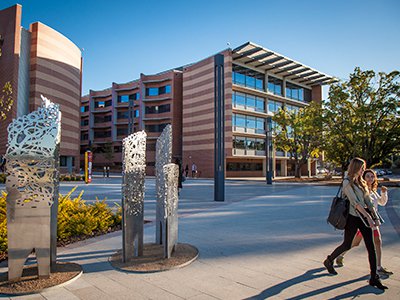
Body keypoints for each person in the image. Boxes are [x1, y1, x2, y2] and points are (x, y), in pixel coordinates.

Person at [323, 157, 387, 290]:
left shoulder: (361, 182)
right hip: (352, 218)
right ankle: (329, 260)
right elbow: (355, 203)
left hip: (364, 217)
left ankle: (374, 277)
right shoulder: (347, 182)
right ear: (356, 167)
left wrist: (374, 216)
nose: (363, 170)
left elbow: (368, 200)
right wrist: (367, 217)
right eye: (362, 167)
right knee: (347, 244)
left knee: (371, 247)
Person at [336, 169, 393, 276]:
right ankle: (340, 255)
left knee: (374, 241)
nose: (370, 179)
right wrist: (367, 216)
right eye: (368, 176)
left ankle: (378, 266)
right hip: (365, 221)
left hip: (373, 220)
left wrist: (384, 193)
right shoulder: (361, 190)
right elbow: (360, 205)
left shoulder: (373, 191)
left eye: (372, 177)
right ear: (363, 177)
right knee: (356, 243)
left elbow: (382, 202)